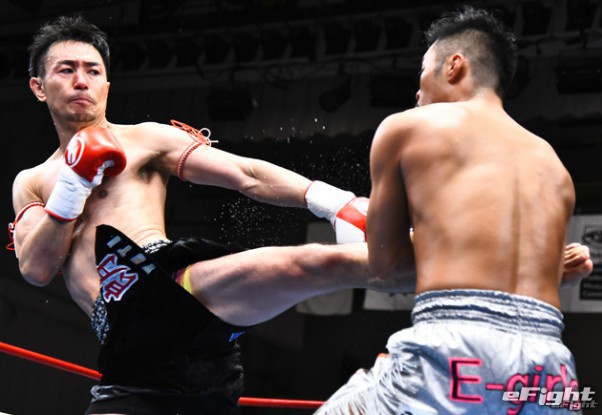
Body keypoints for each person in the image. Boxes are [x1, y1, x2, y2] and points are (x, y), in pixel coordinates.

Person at [9, 14, 390, 415]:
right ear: (38, 86)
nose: (81, 81)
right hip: (128, 346)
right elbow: (36, 268)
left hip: (165, 285)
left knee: (307, 263)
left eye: (93, 70)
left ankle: (427, 256)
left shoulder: (145, 138)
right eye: (66, 70)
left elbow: (245, 174)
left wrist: (334, 202)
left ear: (107, 84)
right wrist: (73, 185)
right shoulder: (31, 181)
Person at [315, 7, 593, 415]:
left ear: (454, 65)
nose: (417, 92)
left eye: (422, 72)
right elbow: (525, 278)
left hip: (457, 352)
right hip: (550, 367)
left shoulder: (406, 128)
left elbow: (385, 263)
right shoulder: (554, 165)